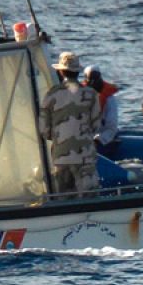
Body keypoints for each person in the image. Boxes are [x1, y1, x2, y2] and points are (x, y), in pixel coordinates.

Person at [40, 51, 102, 194]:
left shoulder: (51, 95)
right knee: (90, 200)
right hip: (85, 158)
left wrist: (59, 138)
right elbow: (96, 125)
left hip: (61, 158)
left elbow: (44, 129)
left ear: (61, 72)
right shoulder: (91, 94)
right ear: (78, 72)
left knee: (64, 200)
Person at [85, 66, 122, 160]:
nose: (93, 82)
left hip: (105, 141)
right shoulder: (81, 98)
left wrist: (97, 140)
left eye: (95, 78)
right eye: (90, 79)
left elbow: (111, 128)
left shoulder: (110, 100)